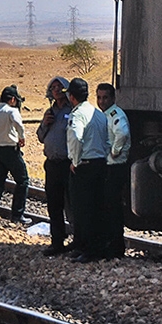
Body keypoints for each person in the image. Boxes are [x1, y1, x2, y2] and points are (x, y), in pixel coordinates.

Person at [66, 77, 109, 262]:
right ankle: (92, 246)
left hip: (85, 165)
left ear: (71, 96)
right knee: (97, 207)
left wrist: (75, 160)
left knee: (83, 209)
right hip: (100, 163)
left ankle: (88, 249)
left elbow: (75, 137)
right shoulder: (98, 114)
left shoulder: (77, 115)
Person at [36, 76, 73, 256]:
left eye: (59, 87)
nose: (56, 90)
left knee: (72, 204)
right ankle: (57, 241)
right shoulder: (49, 112)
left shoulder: (72, 111)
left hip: (69, 164)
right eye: (53, 88)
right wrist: (44, 124)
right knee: (54, 204)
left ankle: (78, 240)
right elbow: (40, 137)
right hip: (52, 164)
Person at [0, 84, 29, 225]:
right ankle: (17, 214)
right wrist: (21, 138)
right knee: (22, 181)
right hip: (10, 149)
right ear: (11, 100)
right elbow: (19, 125)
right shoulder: (12, 111)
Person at [97, 82, 131, 260]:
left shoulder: (115, 114)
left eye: (105, 97)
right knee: (108, 208)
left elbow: (122, 133)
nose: (102, 101)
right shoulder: (105, 115)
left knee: (113, 208)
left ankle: (116, 247)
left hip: (115, 167)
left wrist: (115, 151)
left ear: (113, 98)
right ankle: (109, 244)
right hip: (109, 166)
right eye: (99, 97)